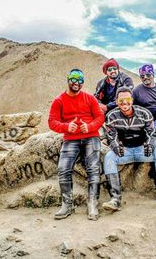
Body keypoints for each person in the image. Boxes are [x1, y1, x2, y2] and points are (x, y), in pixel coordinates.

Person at [102, 86, 156, 211]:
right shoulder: (111, 116)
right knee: (109, 157)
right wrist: (115, 147)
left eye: (128, 100)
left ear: (132, 100)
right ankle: (115, 200)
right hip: (124, 151)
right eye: (121, 101)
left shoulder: (145, 113)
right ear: (116, 101)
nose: (124, 103)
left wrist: (151, 145)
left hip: (143, 149)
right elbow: (111, 137)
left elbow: (153, 134)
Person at [48, 69, 105, 221]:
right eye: (74, 79)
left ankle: (92, 203)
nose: (77, 83)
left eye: (80, 80)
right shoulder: (59, 100)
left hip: (91, 137)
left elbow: (100, 117)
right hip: (70, 139)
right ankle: (67, 205)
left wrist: (90, 126)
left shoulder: (89, 98)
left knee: (93, 168)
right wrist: (66, 127)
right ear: (68, 79)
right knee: (63, 169)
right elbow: (52, 122)